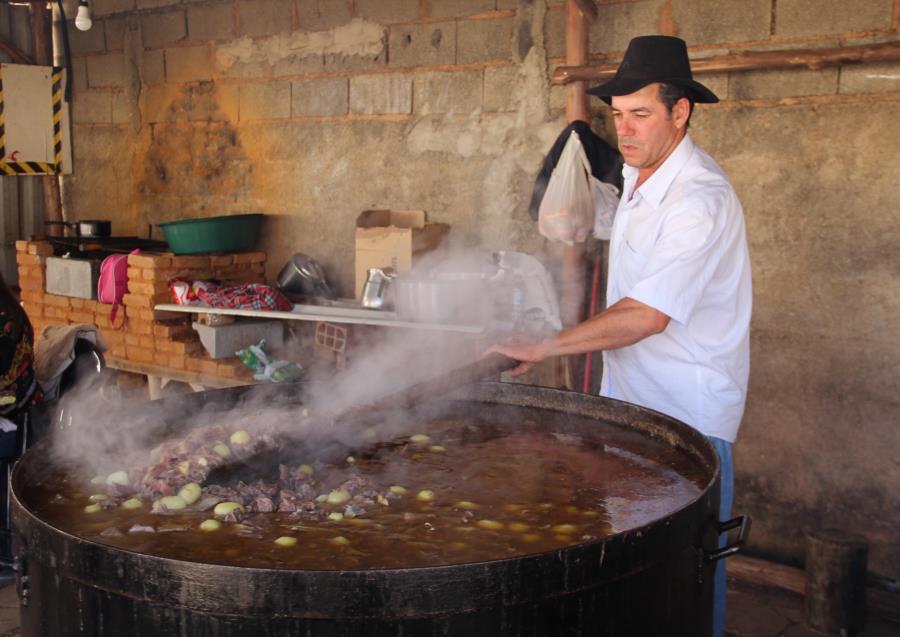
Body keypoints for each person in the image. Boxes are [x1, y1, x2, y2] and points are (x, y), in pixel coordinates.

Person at [490, 35, 751, 637]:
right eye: (617, 115)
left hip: (690, 419)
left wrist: (546, 345)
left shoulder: (698, 200)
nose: (624, 131)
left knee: (686, 576)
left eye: (640, 115)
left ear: (680, 112)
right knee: (636, 571)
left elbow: (646, 316)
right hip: (635, 408)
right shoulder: (640, 177)